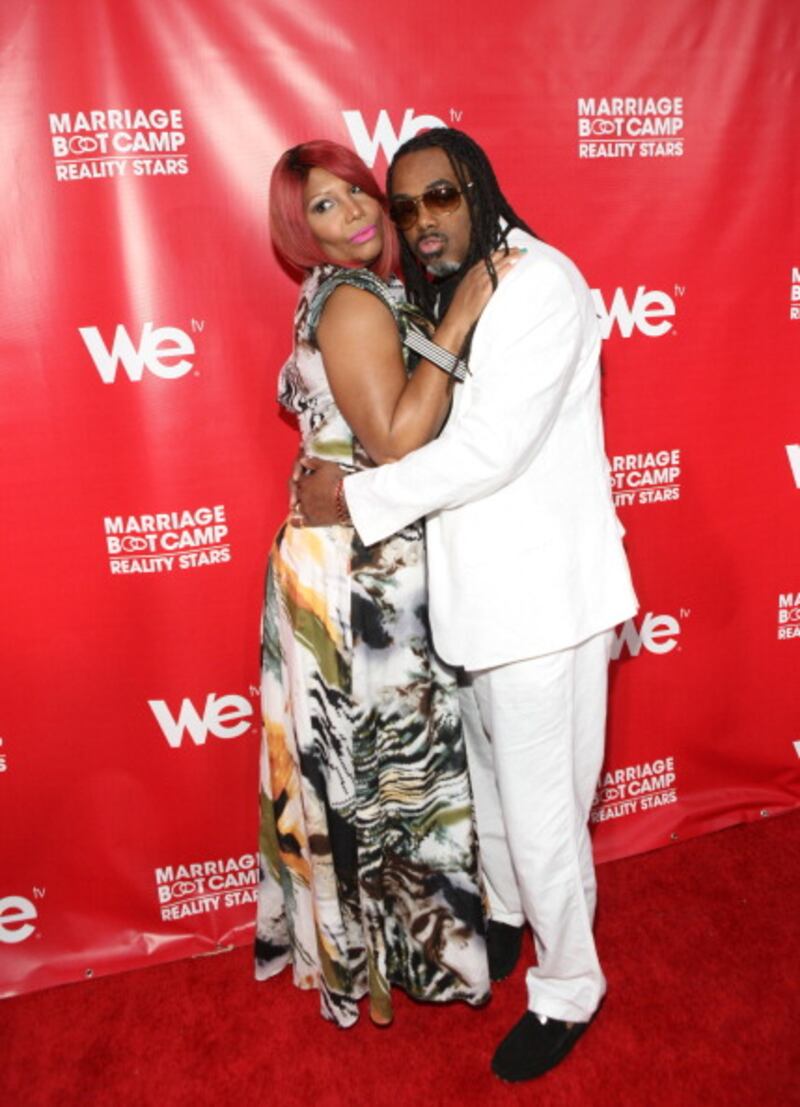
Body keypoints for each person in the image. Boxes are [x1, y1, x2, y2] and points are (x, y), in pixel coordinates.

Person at [294, 129, 638, 1078]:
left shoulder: (540, 284)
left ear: (478, 187)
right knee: (494, 784)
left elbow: (492, 452)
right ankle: (510, 914)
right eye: (405, 208)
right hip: (475, 598)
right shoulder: (450, 291)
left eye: (439, 196)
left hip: (543, 604)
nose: (421, 222)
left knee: (542, 810)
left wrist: (354, 497)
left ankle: (570, 985)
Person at [255, 139, 519, 1029]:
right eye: (322, 206)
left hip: (342, 556)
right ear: (301, 231)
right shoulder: (355, 298)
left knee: (361, 772)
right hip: (359, 579)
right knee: (393, 777)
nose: (355, 213)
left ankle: (364, 958)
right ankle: (411, 961)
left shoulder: (339, 293)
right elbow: (398, 442)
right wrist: (458, 319)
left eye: (356, 191)